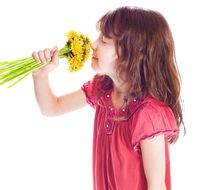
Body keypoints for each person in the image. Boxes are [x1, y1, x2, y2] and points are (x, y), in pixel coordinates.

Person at [32, 6, 184, 190]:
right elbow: (52, 107)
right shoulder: (102, 91)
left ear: (132, 54)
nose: (92, 45)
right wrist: (40, 76)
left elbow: (157, 185)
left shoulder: (148, 114)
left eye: (104, 40)